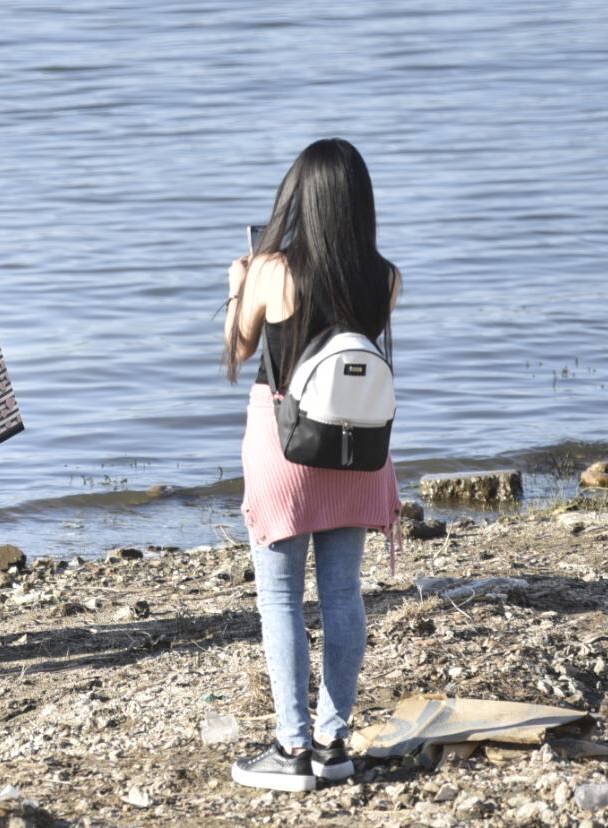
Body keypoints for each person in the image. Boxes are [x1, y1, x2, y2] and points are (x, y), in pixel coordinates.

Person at [223, 138, 402, 792]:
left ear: (300, 197)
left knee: (279, 596)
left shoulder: (272, 270)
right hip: (357, 450)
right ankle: (333, 740)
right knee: (342, 592)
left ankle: (291, 748)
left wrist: (237, 287)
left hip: (286, 446)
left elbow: (240, 351)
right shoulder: (383, 276)